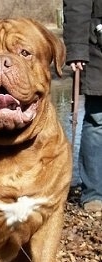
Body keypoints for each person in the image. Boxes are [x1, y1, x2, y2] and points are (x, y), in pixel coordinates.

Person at [63, 0, 102, 213]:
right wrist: (77, 49)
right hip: (99, 47)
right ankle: (95, 194)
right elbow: (77, 4)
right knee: (98, 120)